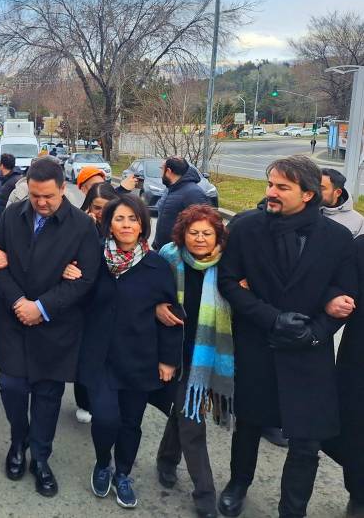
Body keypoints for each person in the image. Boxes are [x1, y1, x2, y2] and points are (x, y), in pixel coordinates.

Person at [217, 155, 356, 518]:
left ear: (308, 194)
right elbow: (229, 282)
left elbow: (344, 295)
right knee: (248, 424)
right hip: (260, 343)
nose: (271, 193)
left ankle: (292, 510)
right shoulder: (247, 228)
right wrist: (273, 319)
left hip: (309, 353)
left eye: (282, 187)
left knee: (307, 443)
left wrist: (314, 334)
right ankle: (238, 484)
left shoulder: (339, 239)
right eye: (270, 185)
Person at [0, 157, 101, 497]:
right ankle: (17, 441)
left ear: (62, 189)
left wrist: (42, 307)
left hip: (56, 327)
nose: (41, 203)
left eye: (48, 196)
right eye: (35, 196)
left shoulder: (82, 226)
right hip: (14, 321)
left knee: (48, 397)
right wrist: (19, 303)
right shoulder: (12, 215)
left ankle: (40, 457)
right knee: (12, 387)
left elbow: (85, 280)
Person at [75, 195, 182, 509]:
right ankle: (101, 463)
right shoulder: (93, 258)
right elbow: (77, 297)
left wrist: (167, 359)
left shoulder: (156, 266)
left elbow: (170, 317)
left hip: (139, 358)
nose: (126, 225)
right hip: (99, 357)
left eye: (132, 219)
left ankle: (122, 473)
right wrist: (69, 273)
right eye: (119, 219)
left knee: (131, 423)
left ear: (142, 225)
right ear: (109, 224)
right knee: (106, 418)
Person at [155, 204, 233, 518]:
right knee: (192, 424)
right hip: (173, 352)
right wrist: (157, 306)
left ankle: (165, 460)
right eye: (193, 232)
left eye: (207, 233)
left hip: (206, 357)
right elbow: (148, 295)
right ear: (182, 234)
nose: (199, 239)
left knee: (187, 415)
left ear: (218, 238)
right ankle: (205, 495)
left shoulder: (229, 267)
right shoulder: (168, 258)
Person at [71, 182, 122, 425]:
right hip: (83, 303)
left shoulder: (121, 227)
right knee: (86, 352)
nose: (101, 213)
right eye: (97, 207)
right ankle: (84, 399)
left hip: (110, 302)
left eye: (106, 207)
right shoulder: (80, 227)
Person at [323, 236, 364, 516]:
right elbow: (338, 285)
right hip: (360, 356)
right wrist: (331, 300)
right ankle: (359, 495)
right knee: (356, 425)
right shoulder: (361, 247)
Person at [153, 157, 209, 251]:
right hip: (163, 251)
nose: (161, 173)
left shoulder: (193, 193)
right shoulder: (169, 189)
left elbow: (203, 226)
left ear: (169, 171)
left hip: (178, 255)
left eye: (161, 169)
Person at [320, 168, 364, 237]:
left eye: (321, 188)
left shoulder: (358, 222)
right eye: (314, 186)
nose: (315, 191)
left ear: (338, 193)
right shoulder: (304, 211)